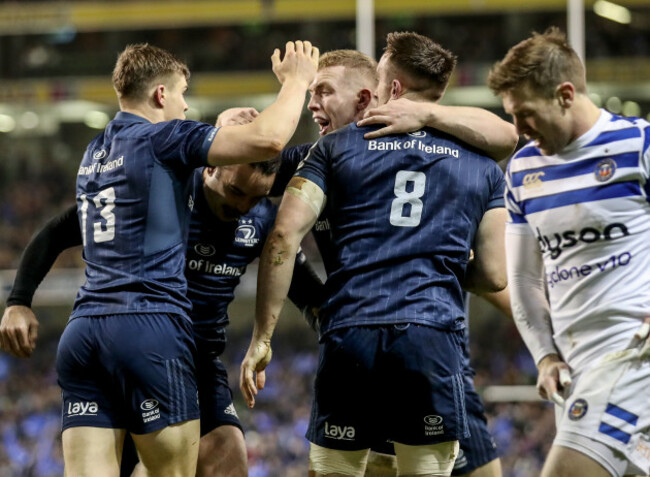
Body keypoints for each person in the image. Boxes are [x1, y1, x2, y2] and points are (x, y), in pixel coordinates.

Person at [0, 40, 319, 476]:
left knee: (225, 454)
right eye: (183, 95)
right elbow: (270, 139)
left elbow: (292, 159)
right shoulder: (169, 147)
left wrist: (18, 300)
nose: (188, 108)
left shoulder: (98, 152)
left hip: (88, 330)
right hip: (153, 332)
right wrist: (298, 80)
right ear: (161, 95)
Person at [241, 32, 507, 477]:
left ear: (391, 91)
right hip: (434, 339)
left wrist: (262, 337)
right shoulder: (481, 162)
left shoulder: (334, 151)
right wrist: (434, 265)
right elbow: (495, 275)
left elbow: (282, 237)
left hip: (352, 333)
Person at [487, 27, 650, 477]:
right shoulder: (523, 171)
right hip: (574, 371)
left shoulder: (639, 145)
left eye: (525, 115)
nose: (517, 131)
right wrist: (544, 355)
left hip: (634, 354)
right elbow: (523, 279)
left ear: (564, 94)